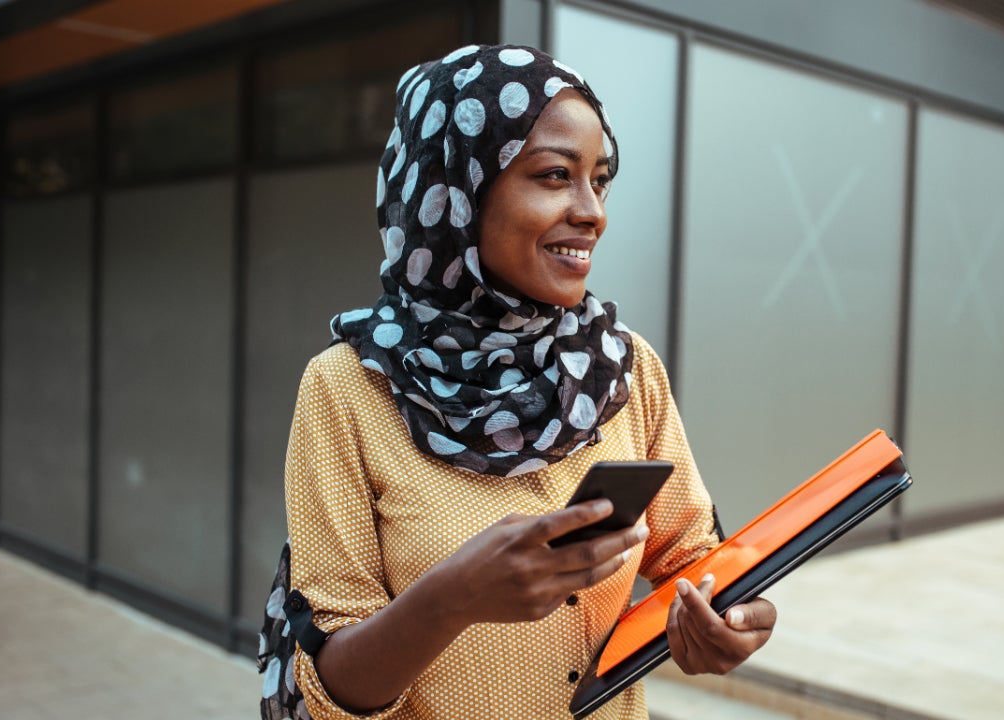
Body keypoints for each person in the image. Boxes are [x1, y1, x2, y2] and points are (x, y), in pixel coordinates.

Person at [261, 44, 776, 720]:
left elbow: (695, 557)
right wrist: (451, 600)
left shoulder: (622, 367)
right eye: (556, 175)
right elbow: (331, 690)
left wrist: (734, 613)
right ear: (456, 192)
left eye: (601, 178)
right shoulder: (352, 389)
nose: (593, 211)